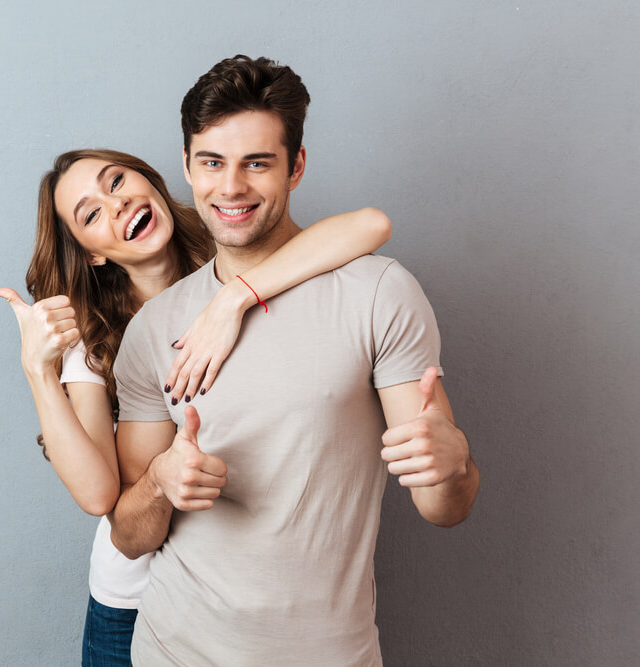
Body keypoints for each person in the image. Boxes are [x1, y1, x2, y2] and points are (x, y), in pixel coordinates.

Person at [108, 56, 480, 665]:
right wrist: (159, 483)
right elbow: (129, 536)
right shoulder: (155, 328)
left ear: (296, 166)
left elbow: (445, 508)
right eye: (212, 163)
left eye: (257, 163)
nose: (231, 187)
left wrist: (454, 462)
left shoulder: (378, 293)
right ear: (186, 167)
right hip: (173, 650)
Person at [0, 147, 393, 665]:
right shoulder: (91, 341)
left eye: (117, 182)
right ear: (91, 253)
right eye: (90, 214)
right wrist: (38, 371)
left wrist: (231, 301)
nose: (115, 206)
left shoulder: (237, 255)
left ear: (153, 181)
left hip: (246, 601)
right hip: (132, 603)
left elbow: (370, 225)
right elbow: (98, 496)